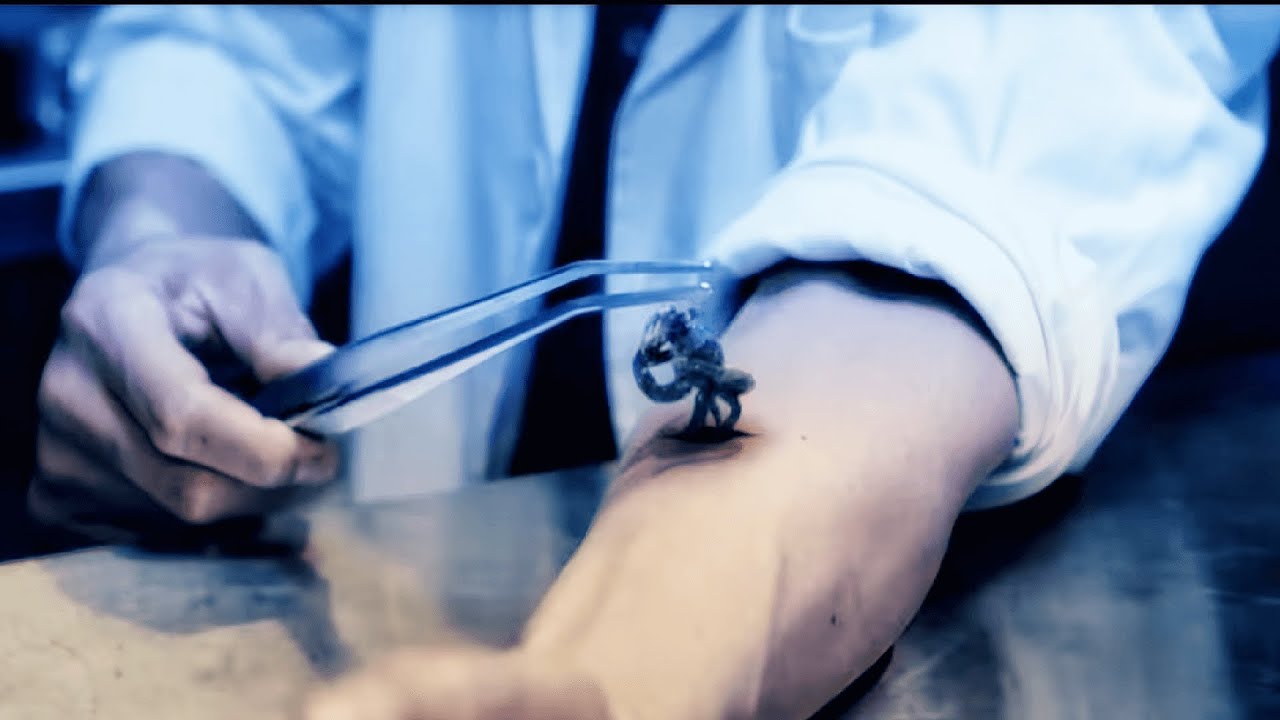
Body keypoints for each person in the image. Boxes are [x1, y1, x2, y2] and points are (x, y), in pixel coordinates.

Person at [29, 4, 1280, 718]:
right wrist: (163, 222)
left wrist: (609, 677)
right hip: (391, 591)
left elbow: (949, 221)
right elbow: (242, 35)